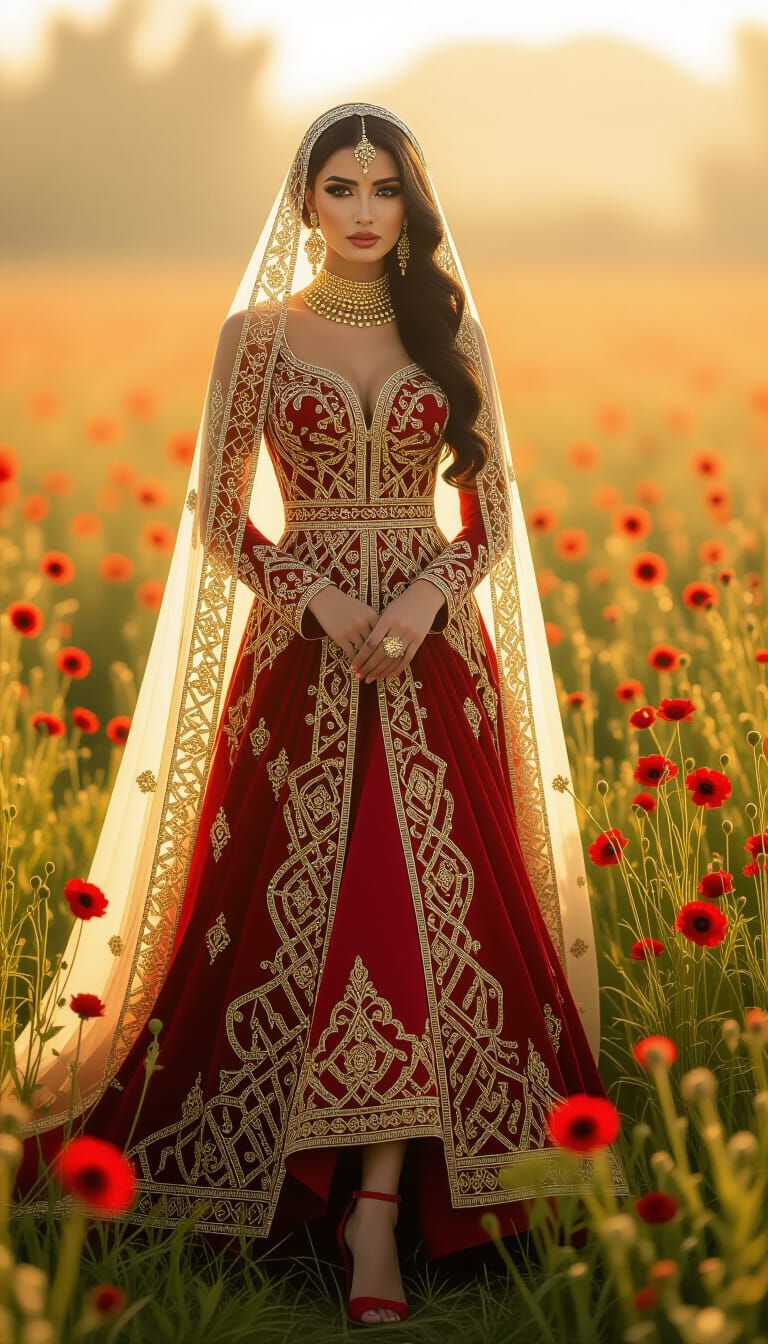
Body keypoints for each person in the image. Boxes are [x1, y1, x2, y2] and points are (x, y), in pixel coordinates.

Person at [10, 103, 627, 1326]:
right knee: (312, 913)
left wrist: (428, 592)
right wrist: (322, 597)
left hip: (434, 668)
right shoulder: (255, 338)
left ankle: (379, 1214)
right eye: (339, 188)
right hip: (298, 673)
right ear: (304, 201)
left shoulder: (446, 331)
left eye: (383, 189)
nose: (360, 210)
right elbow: (220, 517)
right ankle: (321, 1194)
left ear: (412, 205)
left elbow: (493, 517)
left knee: (416, 907)